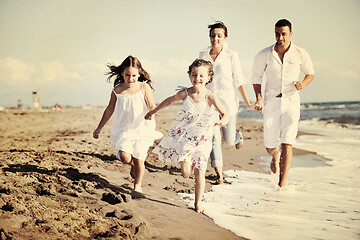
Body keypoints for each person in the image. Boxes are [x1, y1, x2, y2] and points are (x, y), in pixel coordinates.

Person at [145, 59, 229, 213]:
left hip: (203, 140)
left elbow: (225, 113)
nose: (198, 78)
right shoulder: (185, 93)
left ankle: (198, 204)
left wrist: (223, 120)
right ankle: (186, 170)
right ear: (190, 76)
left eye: (202, 75)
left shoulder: (210, 96)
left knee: (200, 172)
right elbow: (170, 100)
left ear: (209, 78)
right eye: (194, 74)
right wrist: (153, 110)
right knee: (185, 173)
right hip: (186, 138)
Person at [252, 19, 315, 187]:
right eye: (277, 34)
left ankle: (282, 184)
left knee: (288, 142)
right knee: (270, 147)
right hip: (271, 102)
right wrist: (258, 97)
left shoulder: (301, 53)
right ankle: (274, 155)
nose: (280, 37)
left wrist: (303, 83)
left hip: (291, 102)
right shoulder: (264, 54)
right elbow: (256, 78)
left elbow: (310, 73)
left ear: (291, 34)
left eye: (283, 34)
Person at [93, 55, 162, 194]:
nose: (131, 79)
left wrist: (153, 111)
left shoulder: (144, 86)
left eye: (134, 75)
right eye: (127, 75)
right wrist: (99, 128)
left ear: (139, 73)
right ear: (122, 74)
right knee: (125, 157)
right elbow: (109, 110)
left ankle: (137, 186)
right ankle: (133, 165)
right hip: (125, 129)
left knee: (140, 158)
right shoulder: (117, 91)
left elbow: (151, 104)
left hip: (142, 127)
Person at [199, 21, 255, 184]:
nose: (215, 39)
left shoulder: (232, 55)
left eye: (219, 36)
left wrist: (248, 102)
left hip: (228, 104)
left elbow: (239, 80)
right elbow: (199, 76)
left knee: (229, 140)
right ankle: (219, 175)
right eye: (212, 35)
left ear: (225, 37)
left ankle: (238, 137)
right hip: (209, 103)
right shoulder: (203, 54)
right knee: (214, 138)